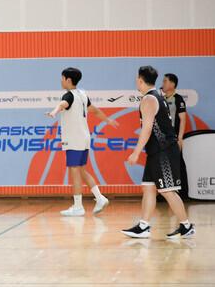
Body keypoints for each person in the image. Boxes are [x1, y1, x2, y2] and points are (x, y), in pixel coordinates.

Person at [121, 66, 194, 239]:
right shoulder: (156, 96)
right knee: (148, 187)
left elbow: (146, 129)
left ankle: (186, 226)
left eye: (137, 79)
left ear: (140, 80)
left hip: (163, 151)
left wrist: (136, 152)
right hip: (156, 151)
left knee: (168, 191)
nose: (136, 81)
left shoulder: (149, 99)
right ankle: (144, 226)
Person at [46, 67, 119, 217]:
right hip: (84, 137)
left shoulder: (68, 95)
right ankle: (100, 198)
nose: (61, 81)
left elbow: (63, 104)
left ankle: (78, 206)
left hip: (74, 138)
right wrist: (108, 120)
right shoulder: (83, 95)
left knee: (74, 170)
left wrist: (54, 111)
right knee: (81, 170)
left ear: (68, 80)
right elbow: (95, 110)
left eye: (62, 78)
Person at [162, 73, 188, 199]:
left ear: (172, 84)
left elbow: (183, 119)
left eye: (165, 81)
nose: (163, 83)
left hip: (174, 137)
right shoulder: (160, 99)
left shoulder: (178, 99)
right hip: (163, 138)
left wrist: (180, 138)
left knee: (178, 163)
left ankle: (183, 193)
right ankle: (164, 193)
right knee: (163, 164)